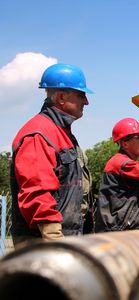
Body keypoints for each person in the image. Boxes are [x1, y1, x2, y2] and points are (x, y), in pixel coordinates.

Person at [10, 63, 94, 247]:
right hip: (44, 243)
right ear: (62, 97)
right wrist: (54, 239)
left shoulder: (61, 132)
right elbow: (37, 191)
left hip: (66, 238)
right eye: (81, 95)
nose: (86, 101)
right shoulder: (39, 134)